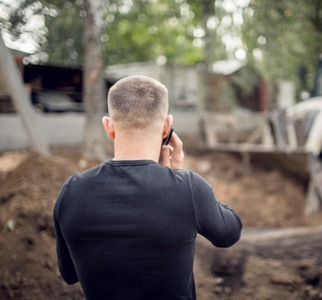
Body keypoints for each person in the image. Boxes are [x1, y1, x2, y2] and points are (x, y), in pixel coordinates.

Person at [53, 75, 242, 300]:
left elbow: (70, 274)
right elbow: (229, 233)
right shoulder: (189, 189)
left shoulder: (72, 192)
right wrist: (177, 176)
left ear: (109, 126)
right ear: (167, 127)